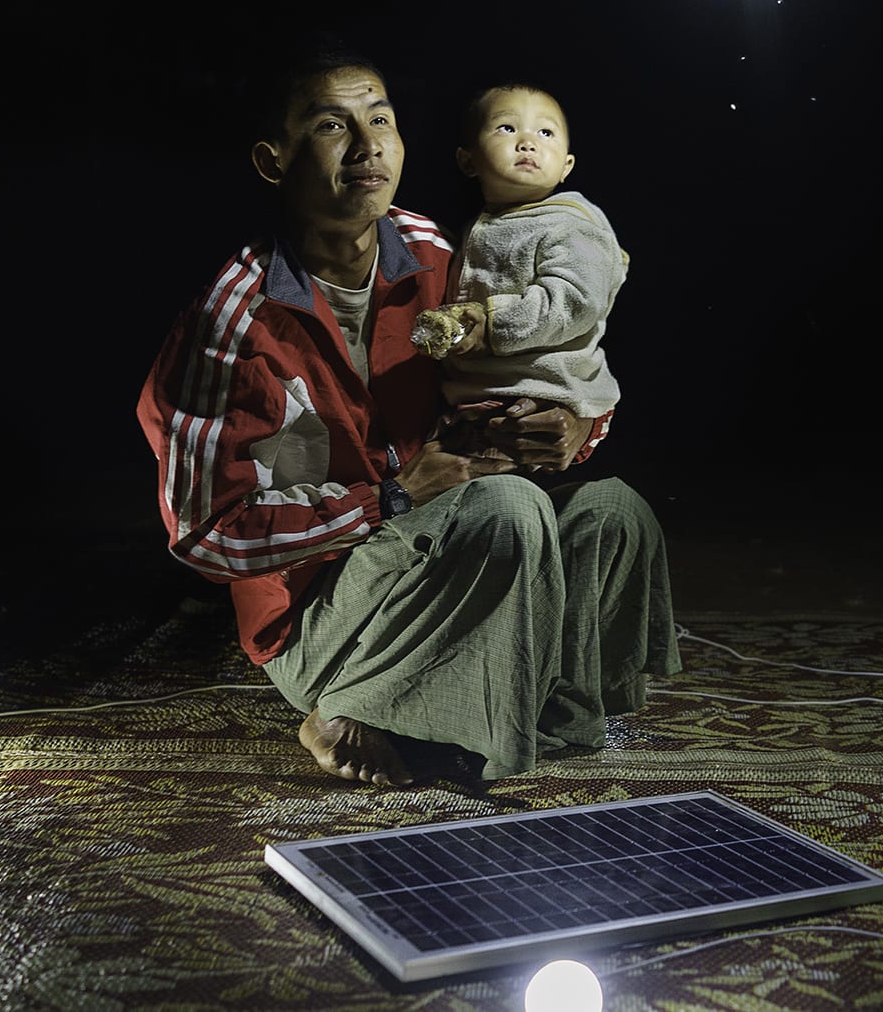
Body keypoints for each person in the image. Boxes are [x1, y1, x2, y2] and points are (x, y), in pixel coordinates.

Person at [134, 41, 680, 788]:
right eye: (332, 126)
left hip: (438, 565)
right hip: (320, 619)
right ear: (273, 160)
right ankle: (348, 701)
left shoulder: (432, 255)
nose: (367, 147)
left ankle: (513, 711)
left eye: (381, 121)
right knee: (507, 507)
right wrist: (390, 499)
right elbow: (206, 536)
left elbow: (524, 363)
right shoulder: (233, 325)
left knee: (614, 511)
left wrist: (575, 428)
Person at [412, 83, 625, 468]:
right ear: (468, 160)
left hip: (541, 391)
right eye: (507, 128)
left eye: (545, 133)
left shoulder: (571, 223)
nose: (528, 142)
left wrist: (492, 324)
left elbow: (577, 300)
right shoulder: (483, 226)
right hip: (481, 393)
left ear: (566, 166)